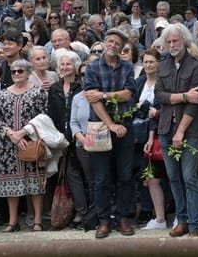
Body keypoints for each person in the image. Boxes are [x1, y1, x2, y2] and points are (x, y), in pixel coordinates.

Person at [153, 24, 198, 237]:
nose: (172, 45)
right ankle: (181, 220)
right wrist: (184, 96)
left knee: (189, 177)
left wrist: (181, 132)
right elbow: (159, 95)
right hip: (165, 127)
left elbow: (196, 103)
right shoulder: (163, 64)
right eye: (169, 42)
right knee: (173, 178)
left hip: (190, 130)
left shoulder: (196, 65)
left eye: (176, 41)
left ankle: (194, 225)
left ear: (184, 41)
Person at [83, 27, 138, 238]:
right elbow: (91, 98)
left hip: (126, 126)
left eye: (118, 43)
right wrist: (111, 124)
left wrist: (104, 95)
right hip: (100, 127)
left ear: (122, 46)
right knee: (102, 178)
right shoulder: (93, 66)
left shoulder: (127, 67)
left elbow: (128, 94)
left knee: (125, 176)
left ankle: (123, 218)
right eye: (110, 41)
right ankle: (104, 221)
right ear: (105, 42)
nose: (113, 45)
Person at [0, 58, 48, 232]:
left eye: (20, 71)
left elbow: (43, 117)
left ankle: (38, 220)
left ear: (28, 73)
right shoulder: (3, 94)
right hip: (8, 147)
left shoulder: (38, 92)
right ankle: (12, 221)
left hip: (31, 143)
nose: (16, 74)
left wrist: (24, 132)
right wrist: (11, 134)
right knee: (11, 185)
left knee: (35, 183)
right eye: (14, 71)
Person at [47, 48, 88, 229]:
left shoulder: (81, 87)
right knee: (71, 176)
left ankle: (88, 212)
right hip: (60, 139)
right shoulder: (54, 88)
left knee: (85, 175)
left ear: (76, 66)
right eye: (62, 64)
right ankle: (78, 212)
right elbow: (52, 114)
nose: (64, 67)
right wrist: (58, 140)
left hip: (79, 136)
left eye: (68, 64)